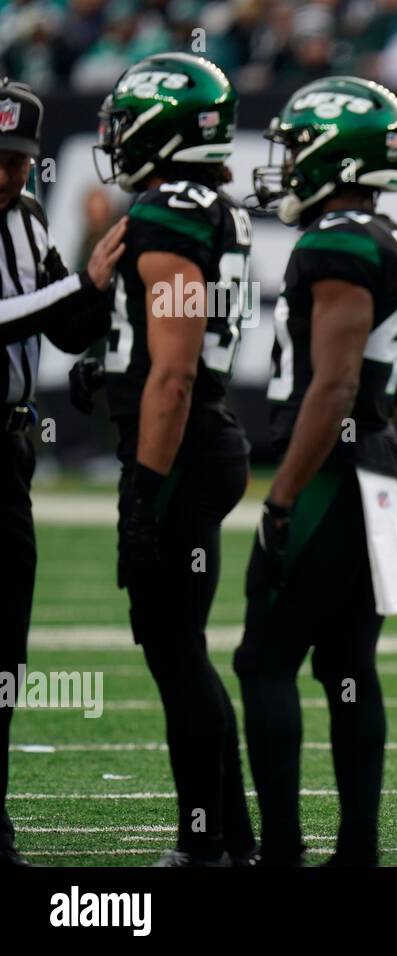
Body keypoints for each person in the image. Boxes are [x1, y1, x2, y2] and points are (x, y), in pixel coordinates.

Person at [240, 76, 397, 866]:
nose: (283, 162)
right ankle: (357, 853)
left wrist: (281, 501)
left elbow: (336, 383)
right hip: (380, 466)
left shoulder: (338, 243)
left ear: (330, 152)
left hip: (333, 473)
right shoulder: (396, 238)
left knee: (263, 661)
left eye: (294, 146)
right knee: (349, 663)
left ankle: (281, 851)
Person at [96, 52, 256, 867]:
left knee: (176, 652)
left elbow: (174, 370)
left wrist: (142, 495)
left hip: (183, 448)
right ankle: (232, 840)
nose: (117, 138)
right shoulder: (217, 208)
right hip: (207, 439)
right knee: (182, 649)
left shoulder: (168, 217)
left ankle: (208, 845)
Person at [0, 78, 125, 868]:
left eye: (15, 161)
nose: (5, 176)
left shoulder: (29, 217)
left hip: (9, 450)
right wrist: (77, 286)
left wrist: (105, 286)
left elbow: (66, 321)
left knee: (6, 650)